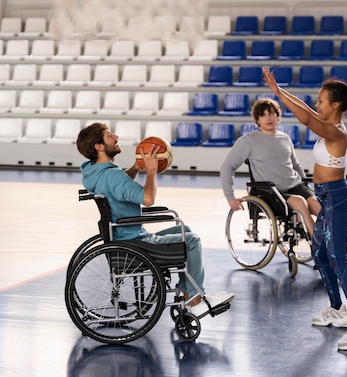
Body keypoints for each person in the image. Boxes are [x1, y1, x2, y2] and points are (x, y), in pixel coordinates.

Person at [262, 69, 347, 351]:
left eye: (322, 100)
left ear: (336, 105)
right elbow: (307, 111)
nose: (317, 104)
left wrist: (280, 94)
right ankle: (338, 309)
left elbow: (306, 118)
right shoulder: (328, 125)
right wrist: (280, 92)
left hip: (338, 202)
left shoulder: (336, 132)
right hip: (328, 200)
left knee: (339, 262)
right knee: (318, 253)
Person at [76, 122, 234, 319]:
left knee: (185, 229)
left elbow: (117, 184)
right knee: (192, 240)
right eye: (109, 135)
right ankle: (195, 300)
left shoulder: (95, 173)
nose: (116, 137)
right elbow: (148, 199)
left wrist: (135, 168)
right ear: (99, 146)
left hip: (122, 238)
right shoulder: (113, 176)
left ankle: (188, 292)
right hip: (136, 243)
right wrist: (151, 171)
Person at [220, 97, 347, 265]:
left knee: (322, 208)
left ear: (277, 116)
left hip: (295, 185)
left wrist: (306, 184)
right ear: (257, 119)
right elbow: (227, 167)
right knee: (300, 203)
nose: (268, 118)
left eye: (272, 114)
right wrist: (230, 197)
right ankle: (322, 250)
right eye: (264, 115)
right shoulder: (249, 141)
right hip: (270, 192)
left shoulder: (284, 138)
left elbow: (296, 165)